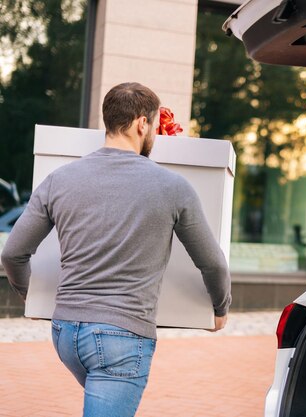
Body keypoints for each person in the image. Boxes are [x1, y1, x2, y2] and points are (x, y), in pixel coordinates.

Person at [0, 82, 231, 416]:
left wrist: (27, 292)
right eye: (152, 126)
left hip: (66, 333)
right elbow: (212, 264)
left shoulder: (59, 179)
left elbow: (13, 253)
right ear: (142, 123)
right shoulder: (174, 187)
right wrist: (220, 307)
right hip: (121, 339)